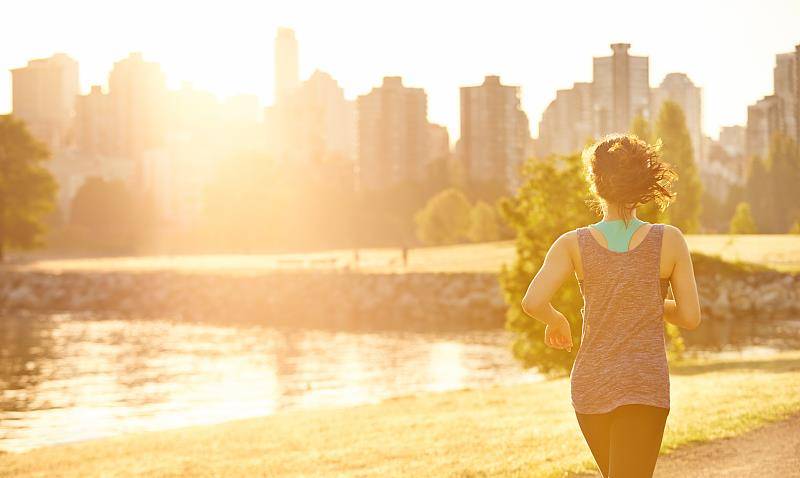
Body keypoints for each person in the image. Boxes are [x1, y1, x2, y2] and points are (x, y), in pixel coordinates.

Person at [520, 134, 702, 478]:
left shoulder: (572, 243)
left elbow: (533, 301)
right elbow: (690, 317)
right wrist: (648, 302)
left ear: (596, 184)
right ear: (641, 182)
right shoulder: (671, 240)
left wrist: (556, 319)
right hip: (643, 387)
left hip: (590, 387)